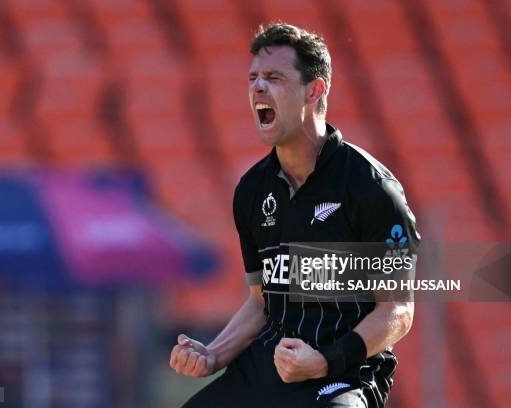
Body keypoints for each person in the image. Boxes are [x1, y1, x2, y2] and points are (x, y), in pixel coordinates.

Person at [170, 23, 420, 407]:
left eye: (273, 77)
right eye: (253, 78)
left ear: (314, 90)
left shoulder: (371, 187)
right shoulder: (252, 191)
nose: (257, 88)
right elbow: (261, 302)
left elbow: (398, 310)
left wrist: (324, 362)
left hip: (343, 376)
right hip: (265, 371)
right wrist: (213, 355)